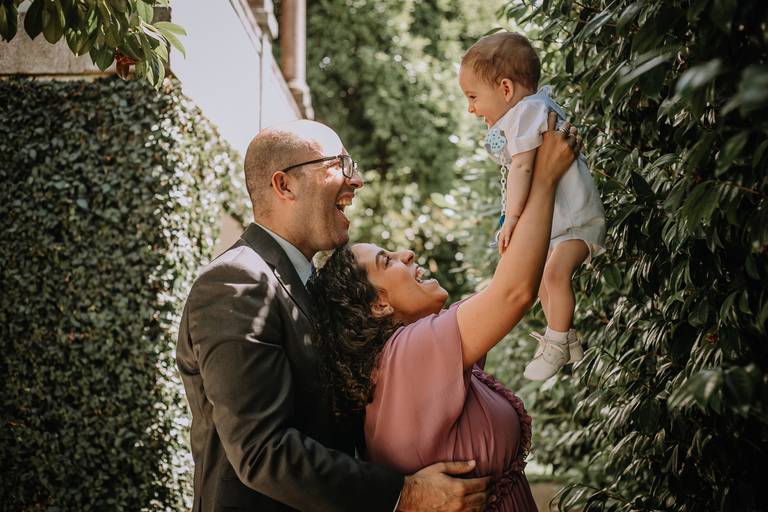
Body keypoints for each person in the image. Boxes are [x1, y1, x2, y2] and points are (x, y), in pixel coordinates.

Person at [176, 120, 493, 512]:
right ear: (284, 185)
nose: (356, 181)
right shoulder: (237, 282)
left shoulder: (310, 283)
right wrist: (404, 494)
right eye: (339, 164)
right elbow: (262, 451)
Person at [308, 112, 581, 511]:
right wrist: (545, 178)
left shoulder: (412, 355)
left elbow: (508, 279)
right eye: (388, 260)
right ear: (380, 304)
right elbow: (513, 293)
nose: (408, 253)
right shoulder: (406, 356)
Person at [458, 32, 606, 380]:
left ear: (506, 89)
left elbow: (523, 168)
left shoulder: (526, 113)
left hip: (576, 220)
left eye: (473, 96)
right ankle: (566, 339)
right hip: (562, 223)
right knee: (543, 276)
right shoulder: (528, 112)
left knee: (554, 275)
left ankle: (555, 344)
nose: (471, 108)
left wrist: (510, 220)